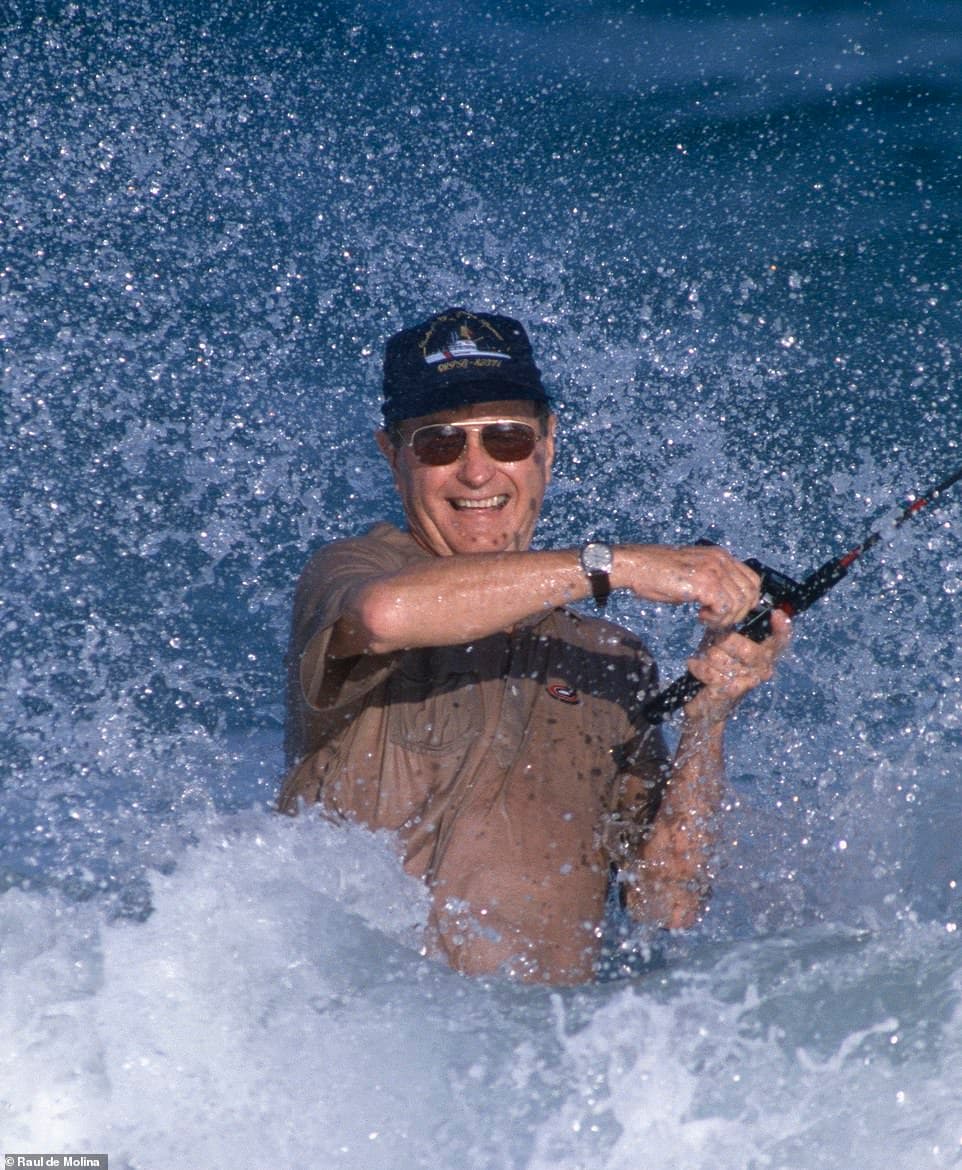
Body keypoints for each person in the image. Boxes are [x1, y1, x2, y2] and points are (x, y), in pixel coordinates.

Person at [278, 306, 790, 985]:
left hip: (532, 1064)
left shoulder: (613, 659)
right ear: (392, 453)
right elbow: (384, 614)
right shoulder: (352, 572)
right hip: (376, 1043)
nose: (476, 472)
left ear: (547, 446)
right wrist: (617, 564)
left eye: (506, 439)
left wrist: (710, 715)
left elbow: (667, 902)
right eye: (439, 444)